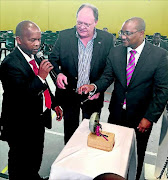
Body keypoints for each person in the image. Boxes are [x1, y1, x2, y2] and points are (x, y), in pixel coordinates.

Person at [78, 17, 168, 179]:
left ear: (141, 33)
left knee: (136, 154)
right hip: (116, 114)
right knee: (114, 153)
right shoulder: (115, 52)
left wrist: (149, 117)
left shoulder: (159, 55)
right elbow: (107, 77)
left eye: (128, 33)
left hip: (140, 118)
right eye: (122, 32)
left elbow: (162, 90)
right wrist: (94, 87)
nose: (123, 36)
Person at [0, 21, 62, 180]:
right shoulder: (10, 64)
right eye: (32, 40)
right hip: (20, 124)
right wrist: (41, 76)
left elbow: (45, 86)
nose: (37, 44)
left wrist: (53, 104)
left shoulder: (35, 57)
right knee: (19, 163)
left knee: (35, 157)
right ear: (19, 40)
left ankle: (33, 175)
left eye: (39, 40)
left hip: (37, 120)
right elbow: (21, 97)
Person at [49, 3, 114, 143]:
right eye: (79, 22)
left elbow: (109, 71)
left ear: (96, 22)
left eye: (87, 24)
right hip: (69, 94)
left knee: (90, 133)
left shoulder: (107, 39)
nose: (82, 27)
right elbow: (52, 60)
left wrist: (97, 87)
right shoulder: (64, 36)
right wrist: (58, 74)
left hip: (93, 96)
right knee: (70, 132)